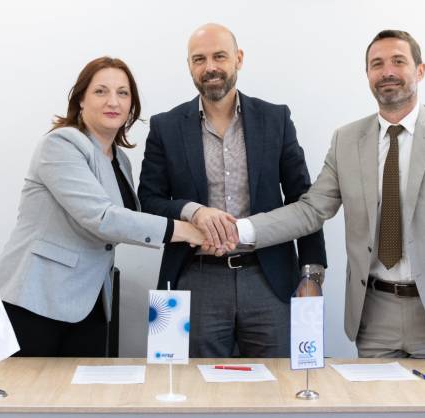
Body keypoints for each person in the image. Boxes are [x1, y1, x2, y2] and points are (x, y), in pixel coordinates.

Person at [234, 30, 425, 358]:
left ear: (420, 70)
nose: (387, 71)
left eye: (398, 61)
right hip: (375, 314)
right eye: (377, 64)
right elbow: (311, 211)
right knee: (375, 394)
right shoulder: (346, 140)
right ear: (367, 75)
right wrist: (238, 231)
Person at [0, 57, 205, 357]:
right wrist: (188, 231)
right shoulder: (61, 144)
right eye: (101, 91)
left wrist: (192, 211)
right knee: (29, 387)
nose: (113, 101)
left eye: (123, 93)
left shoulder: (120, 160)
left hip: (90, 301)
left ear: (132, 105)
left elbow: (130, 218)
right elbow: (103, 218)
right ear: (81, 99)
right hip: (37, 297)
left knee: (84, 387)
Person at [138, 23, 327, 358]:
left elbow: (302, 199)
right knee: (191, 384)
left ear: (238, 59)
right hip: (194, 276)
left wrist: (311, 273)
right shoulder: (165, 126)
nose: (210, 67)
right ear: (189, 66)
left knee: (277, 383)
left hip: (269, 278)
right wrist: (193, 211)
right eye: (199, 59)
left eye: (219, 56)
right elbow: (149, 201)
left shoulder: (275, 118)